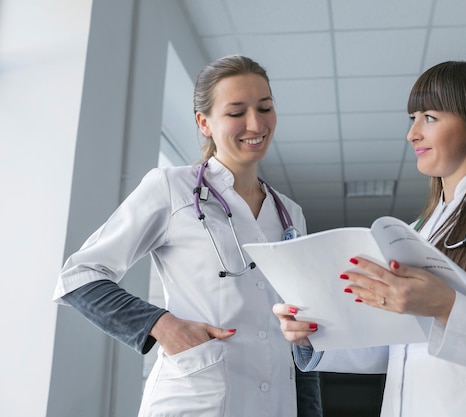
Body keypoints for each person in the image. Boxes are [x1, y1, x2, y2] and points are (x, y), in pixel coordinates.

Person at [273, 61, 466, 417]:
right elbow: (403, 346)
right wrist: (313, 335)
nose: (412, 134)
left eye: (429, 117)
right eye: (412, 118)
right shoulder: (419, 229)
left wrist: (445, 306)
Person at [53, 55, 322, 417]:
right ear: (204, 122)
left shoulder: (290, 213)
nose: (255, 123)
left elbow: (297, 332)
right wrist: (161, 325)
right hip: (197, 401)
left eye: (265, 107)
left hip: (277, 404)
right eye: (236, 112)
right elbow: (79, 276)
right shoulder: (171, 188)